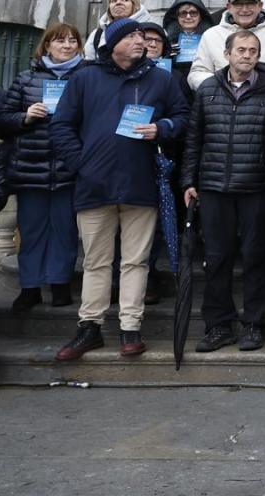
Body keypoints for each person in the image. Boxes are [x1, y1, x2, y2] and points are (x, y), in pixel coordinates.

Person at [49, 18, 189, 361]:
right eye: (132, 35)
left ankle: (130, 328)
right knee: (96, 261)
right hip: (93, 186)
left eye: (142, 35)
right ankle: (90, 328)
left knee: (136, 261)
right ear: (113, 44)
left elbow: (184, 116)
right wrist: (82, 163)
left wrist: (163, 127)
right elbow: (62, 125)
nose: (141, 40)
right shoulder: (85, 78)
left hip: (141, 183)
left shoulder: (160, 77)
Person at [180, 28, 265, 352]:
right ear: (227, 54)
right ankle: (218, 325)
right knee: (216, 259)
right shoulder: (208, 89)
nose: (247, 55)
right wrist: (189, 181)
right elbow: (194, 138)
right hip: (214, 186)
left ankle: (254, 322)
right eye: (241, 50)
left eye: (253, 50)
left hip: (256, 186)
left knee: (255, 258)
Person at [0, 23, 87, 311]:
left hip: (68, 166)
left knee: (64, 229)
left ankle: (60, 283)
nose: (67, 46)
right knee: (31, 229)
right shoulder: (26, 78)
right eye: (60, 41)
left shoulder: (87, 77)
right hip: (30, 166)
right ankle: (30, 286)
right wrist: (25, 116)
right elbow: (4, 119)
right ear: (47, 45)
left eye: (72, 41)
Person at [189, 0, 265, 89]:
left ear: (260, 6)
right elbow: (197, 73)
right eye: (238, 4)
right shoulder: (211, 35)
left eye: (250, 4)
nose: (244, 9)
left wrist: (262, 82)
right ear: (229, 7)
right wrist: (222, 86)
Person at [85, 0, 154, 57]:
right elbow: (89, 62)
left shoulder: (152, 30)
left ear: (135, 5)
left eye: (125, 0)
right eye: (114, 1)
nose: (118, 3)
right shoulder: (98, 34)